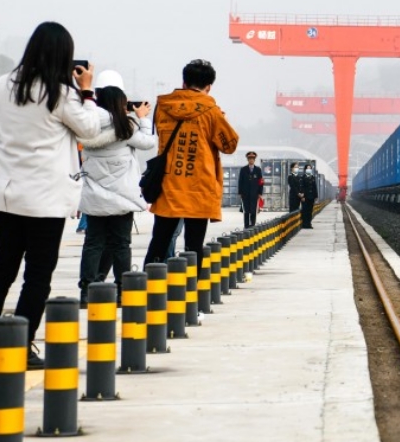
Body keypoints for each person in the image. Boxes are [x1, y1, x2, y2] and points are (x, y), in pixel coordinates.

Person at [0, 22, 101, 368]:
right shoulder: (61, 94)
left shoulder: (1, 86)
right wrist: (86, 90)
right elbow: (91, 130)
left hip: (6, 195)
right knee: (37, 275)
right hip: (45, 201)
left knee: (1, 270)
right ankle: (21, 345)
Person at [142, 59, 239, 269]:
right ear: (209, 86)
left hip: (168, 185)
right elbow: (229, 145)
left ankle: (147, 290)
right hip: (199, 187)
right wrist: (222, 120)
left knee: (159, 242)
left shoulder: (163, 107)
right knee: (194, 247)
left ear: (184, 82)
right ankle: (189, 294)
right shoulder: (212, 112)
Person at [76, 71, 156, 307]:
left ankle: (86, 292)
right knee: (121, 245)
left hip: (94, 199)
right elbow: (149, 142)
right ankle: (123, 291)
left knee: (92, 244)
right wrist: (141, 117)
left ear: (97, 96)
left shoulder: (87, 125)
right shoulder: (127, 126)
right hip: (121, 199)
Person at [238, 151, 263, 228]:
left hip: (254, 194)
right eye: (249, 159)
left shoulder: (258, 170)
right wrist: (240, 192)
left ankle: (252, 225)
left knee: (253, 210)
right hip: (245, 194)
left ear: (254, 160)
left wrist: (260, 193)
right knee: (246, 211)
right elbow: (240, 181)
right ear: (247, 160)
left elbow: (261, 182)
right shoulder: (243, 169)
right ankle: (246, 226)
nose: (251, 160)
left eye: (252, 159)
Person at [300, 163, 318, 229]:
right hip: (305, 197)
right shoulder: (303, 177)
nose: (309, 169)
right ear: (305, 169)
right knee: (305, 211)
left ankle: (309, 224)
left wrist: (316, 196)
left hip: (311, 197)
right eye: (307, 168)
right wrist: (302, 196)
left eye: (310, 168)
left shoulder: (312, 177)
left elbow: (314, 187)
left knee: (310, 211)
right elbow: (301, 187)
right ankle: (304, 224)